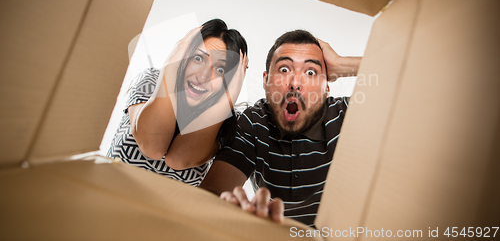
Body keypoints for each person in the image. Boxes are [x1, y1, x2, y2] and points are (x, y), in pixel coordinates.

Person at [199, 29, 361, 227]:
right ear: (266, 81)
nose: (294, 83)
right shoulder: (254, 123)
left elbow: (408, 79)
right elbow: (211, 194)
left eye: (311, 72)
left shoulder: (348, 114)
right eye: (284, 69)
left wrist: (344, 65)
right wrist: (228, 210)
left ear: (327, 87)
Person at [107, 19, 248, 186]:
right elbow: (153, 147)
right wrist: (171, 65)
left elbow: (178, 159)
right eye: (198, 58)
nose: (202, 77)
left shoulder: (227, 122)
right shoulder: (152, 81)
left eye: (220, 69)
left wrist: (229, 98)